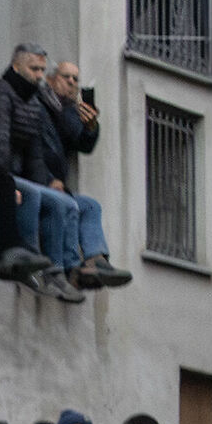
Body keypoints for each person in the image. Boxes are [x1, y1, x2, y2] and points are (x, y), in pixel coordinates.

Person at [0, 45, 90, 302]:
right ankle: (29, 257)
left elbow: (35, 155)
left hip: (22, 175)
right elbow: (0, 141)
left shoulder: (32, 100)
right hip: (0, 172)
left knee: (62, 201)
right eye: (34, 69)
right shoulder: (1, 91)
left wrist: (47, 183)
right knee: (33, 194)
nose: (39, 76)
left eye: (42, 70)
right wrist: (5, 183)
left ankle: (56, 271)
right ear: (16, 66)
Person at [41, 61, 129, 290]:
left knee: (90, 206)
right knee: (70, 206)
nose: (72, 82)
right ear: (50, 79)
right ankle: (73, 269)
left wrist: (91, 127)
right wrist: (48, 179)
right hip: (39, 181)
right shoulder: (40, 104)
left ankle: (95, 260)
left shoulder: (66, 109)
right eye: (66, 77)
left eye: (75, 79)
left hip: (55, 184)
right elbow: (33, 153)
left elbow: (81, 142)